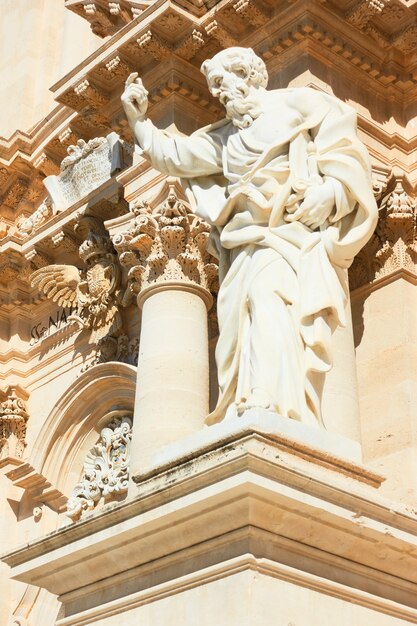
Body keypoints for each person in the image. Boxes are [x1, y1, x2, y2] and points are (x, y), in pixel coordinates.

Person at [121, 47, 377, 427]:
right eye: (213, 88)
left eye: (222, 82)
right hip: (243, 245)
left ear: (246, 74)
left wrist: (332, 193)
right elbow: (175, 155)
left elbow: (346, 155)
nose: (219, 94)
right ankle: (250, 396)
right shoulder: (226, 138)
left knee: (269, 299)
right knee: (238, 328)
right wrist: (139, 121)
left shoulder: (302, 105)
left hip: (288, 238)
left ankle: (275, 402)